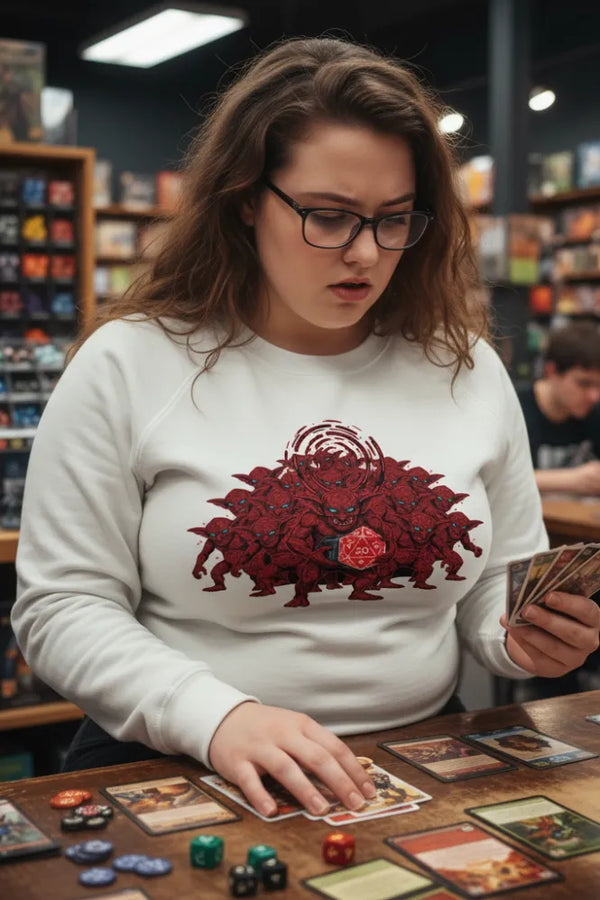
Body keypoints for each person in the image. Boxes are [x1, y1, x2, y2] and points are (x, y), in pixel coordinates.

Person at [12, 37, 600, 820]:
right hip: (179, 759)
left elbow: (498, 582)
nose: (364, 252)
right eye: (328, 216)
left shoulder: (466, 367)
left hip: (419, 759)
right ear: (246, 198)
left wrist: (527, 634)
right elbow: (60, 607)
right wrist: (216, 716)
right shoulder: (131, 363)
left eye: (395, 220)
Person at [517, 321, 600, 495]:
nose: (594, 396)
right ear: (551, 371)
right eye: (584, 383)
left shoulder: (594, 411)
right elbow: (498, 479)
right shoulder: (515, 409)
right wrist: (571, 480)